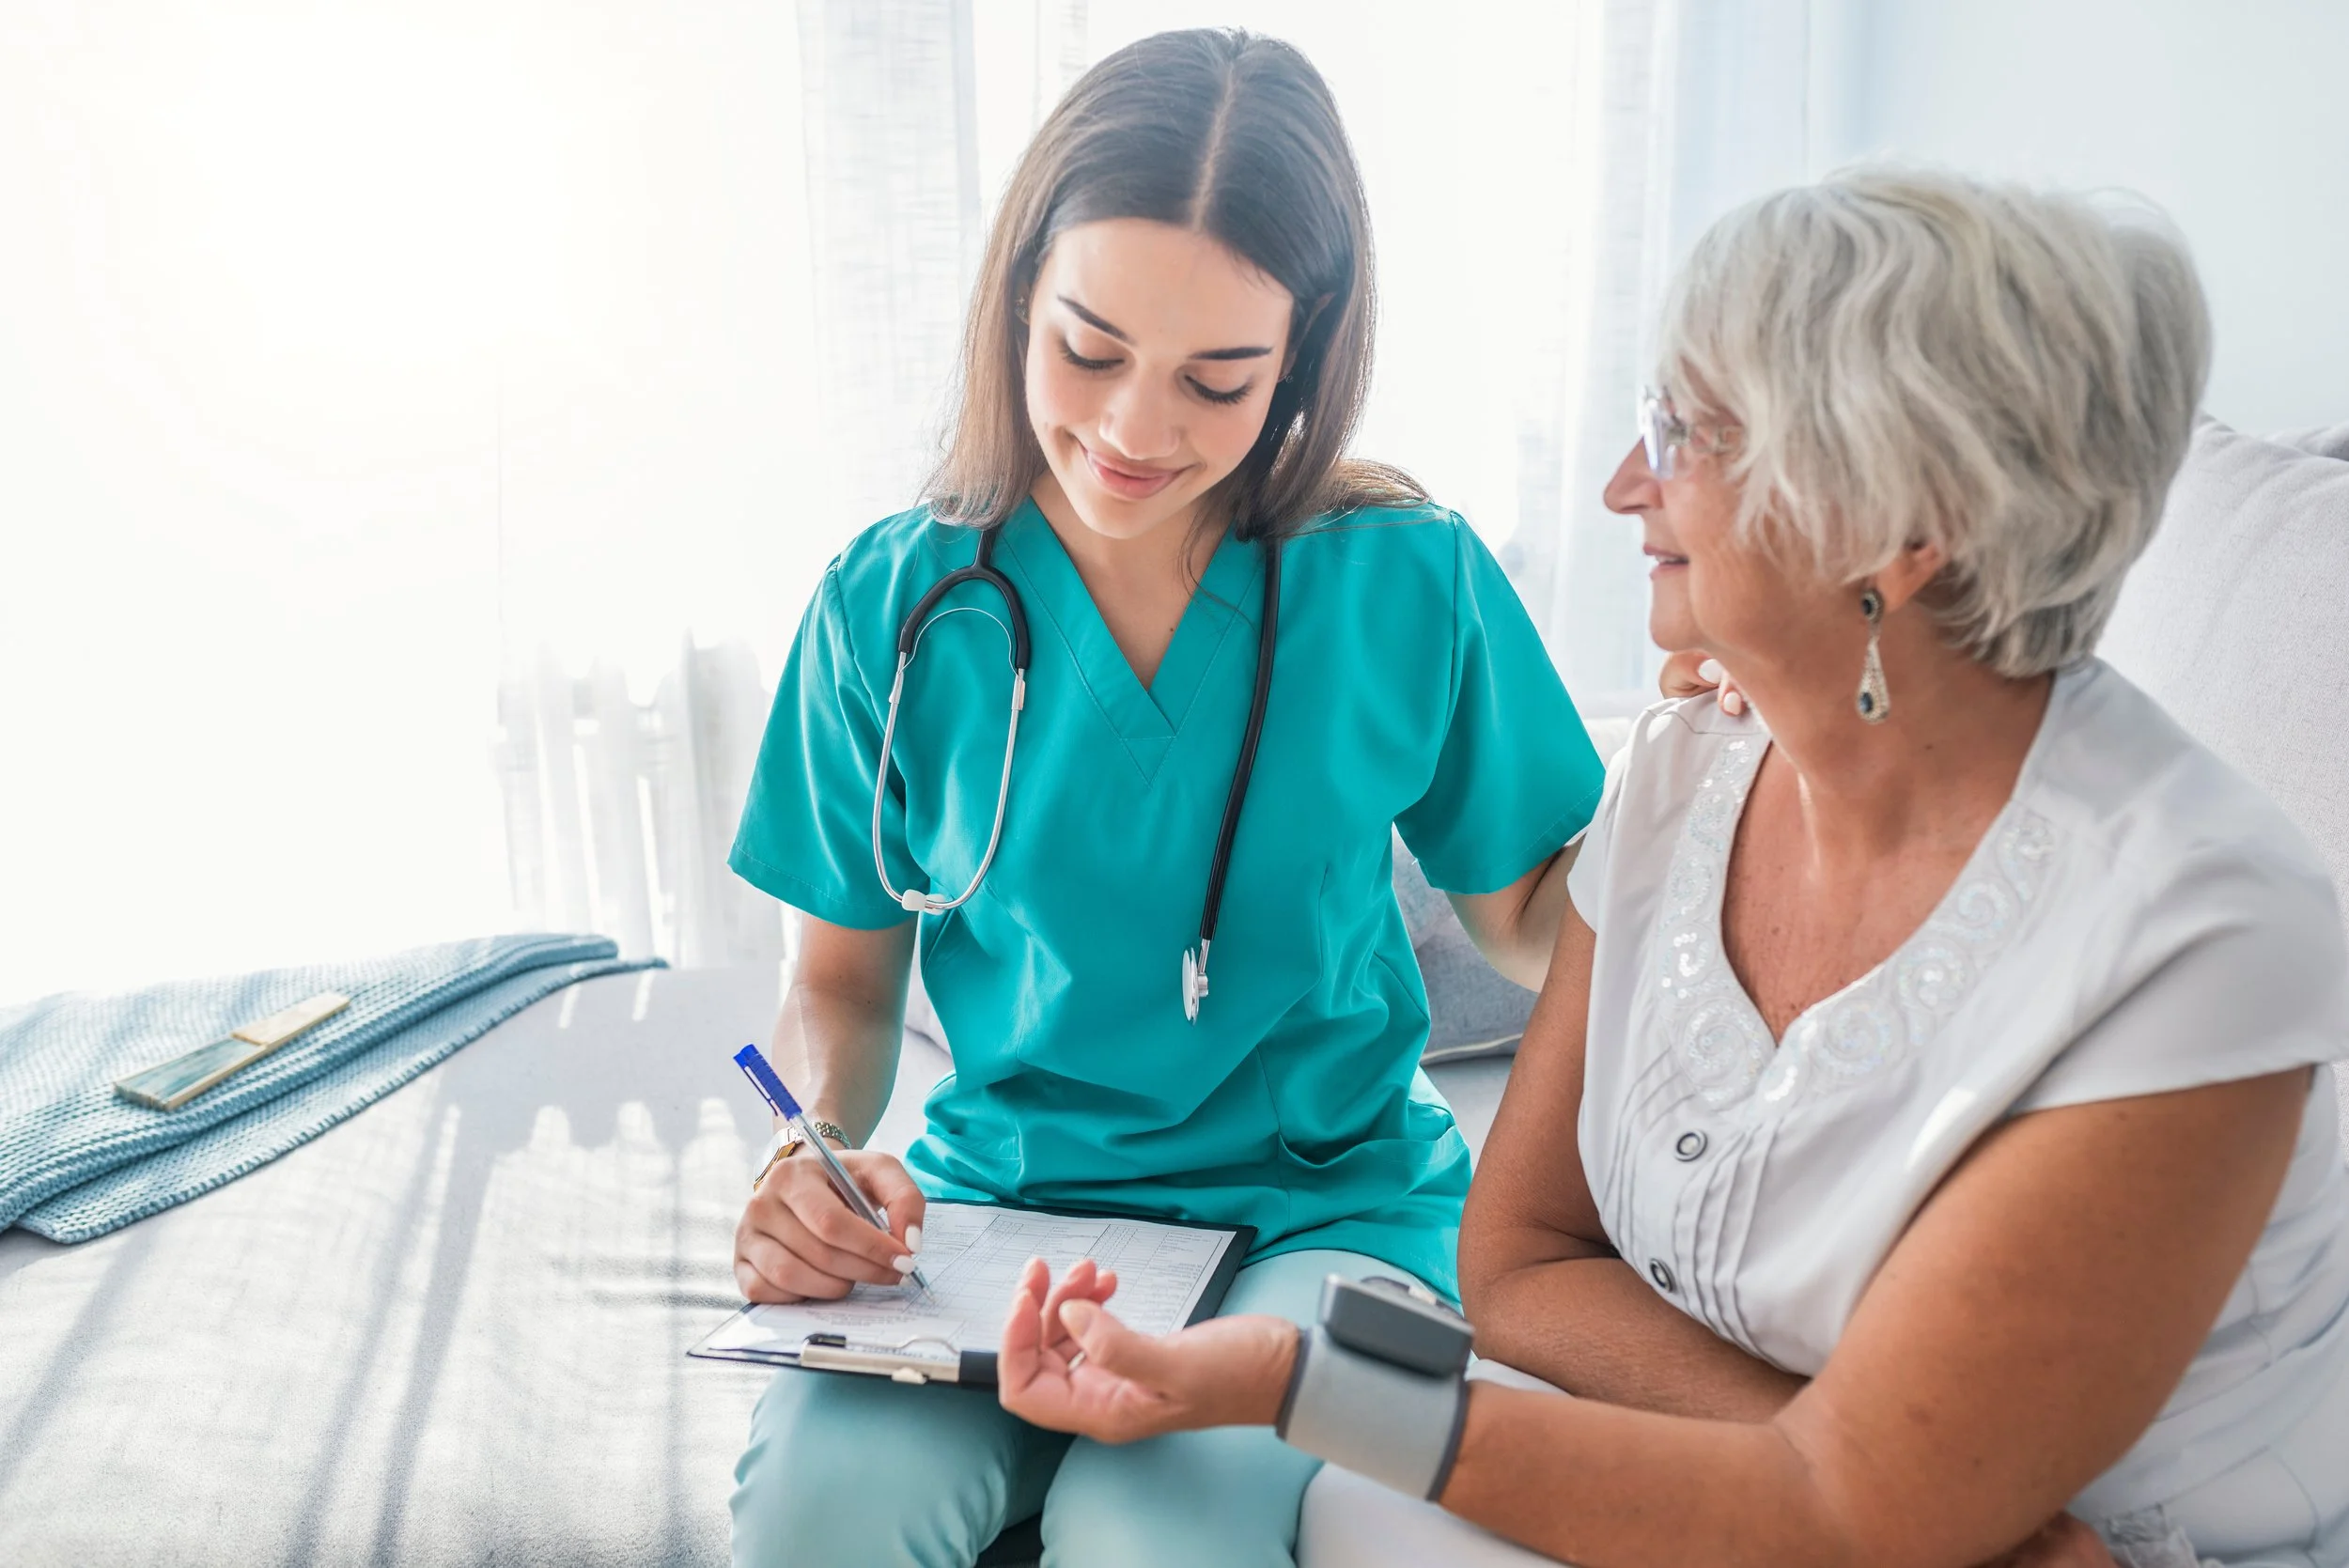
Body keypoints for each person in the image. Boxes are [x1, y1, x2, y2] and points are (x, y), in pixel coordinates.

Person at [993, 169, 2349, 1568]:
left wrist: (1299, 1380)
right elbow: (1519, 1266)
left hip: (2118, 1547)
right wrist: (1884, 1474)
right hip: (1889, 1511)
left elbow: (1839, 1519)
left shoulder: (2199, 934)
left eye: (1685, 434)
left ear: (1906, 520)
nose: (1625, 485)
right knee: (1365, 1514)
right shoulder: (1687, 770)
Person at [724, 28, 1604, 1567]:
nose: (1135, 431)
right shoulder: (891, 603)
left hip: (1340, 1225)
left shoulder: (1407, 578)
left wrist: (1751, 794)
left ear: (1308, 359)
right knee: (821, 1510)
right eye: (1088, 349)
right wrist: (809, 1151)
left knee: (1157, 1533)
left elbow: (1541, 915)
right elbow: (840, 985)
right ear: (1014, 303)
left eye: (1218, 380)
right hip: (998, 1213)